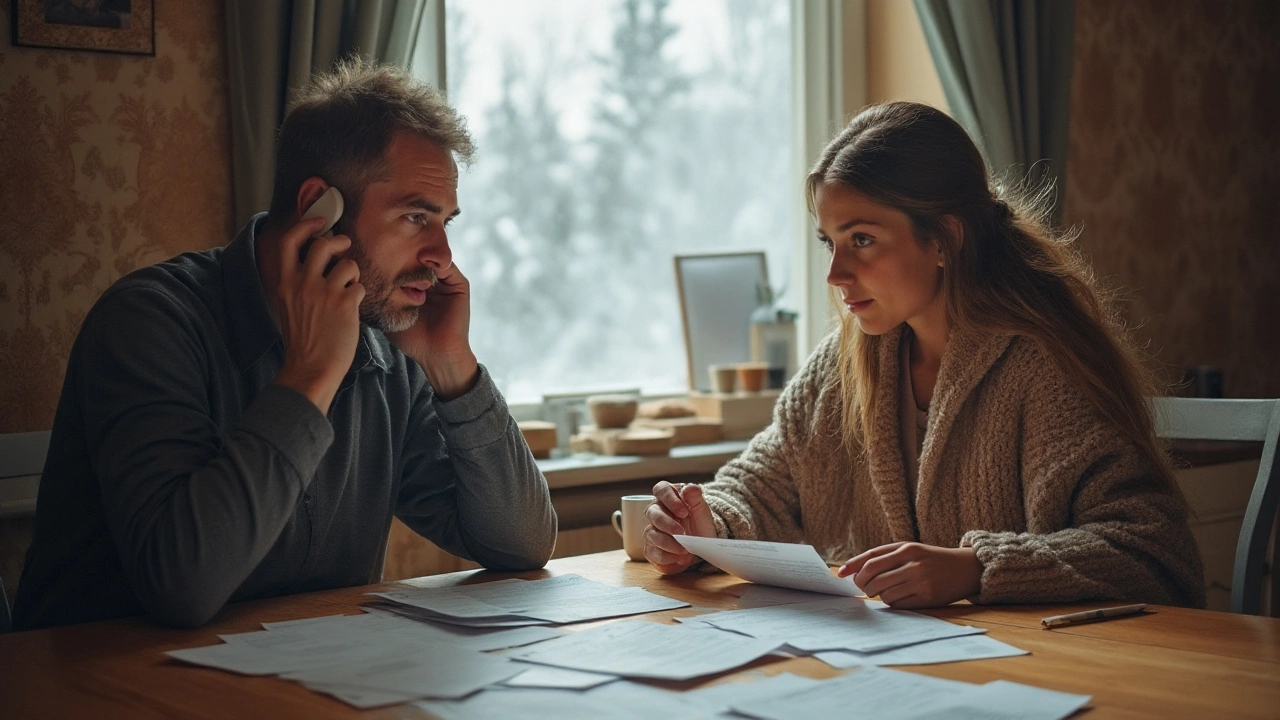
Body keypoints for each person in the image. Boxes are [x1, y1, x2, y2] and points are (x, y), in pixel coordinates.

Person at [13, 60, 557, 630]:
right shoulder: (149, 322)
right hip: (96, 691)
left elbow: (520, 545)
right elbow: (181, 586)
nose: (441, 256)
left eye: (446, 221)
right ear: (319, 209)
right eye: (415, 216)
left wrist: (453, 369)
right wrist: (310, 376)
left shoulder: (390, 344)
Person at [644, 102, 1205, 609]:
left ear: (944, 240)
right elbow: (763, 485)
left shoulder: (1045, 366)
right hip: (903, 673)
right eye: (829, 243)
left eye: (861, 239)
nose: (835, 273)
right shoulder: (847, 363)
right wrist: (705, 523)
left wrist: (976, 569)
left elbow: (1154, 553)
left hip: (1041, 684)